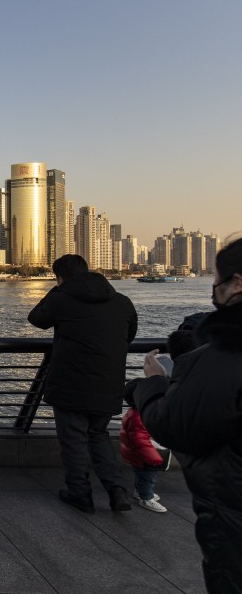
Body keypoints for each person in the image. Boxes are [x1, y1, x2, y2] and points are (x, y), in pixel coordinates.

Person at [131, 238, 242, 592]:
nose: (214, 295)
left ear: (236, 284)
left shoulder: (225, 354)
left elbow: (176, 427)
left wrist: (152, 385)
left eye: (217, 284)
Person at [28, 254, 138, 513]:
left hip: (70, 383)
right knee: (98, 436)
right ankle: (116, 490)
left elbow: (36, 318)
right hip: (108, 384)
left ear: (59, 277)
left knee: (74, 441)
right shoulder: (122, 302)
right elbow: (128, 336)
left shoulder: (61, 299)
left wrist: (56, 291)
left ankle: (80, 493)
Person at [120, 388, 168, 513]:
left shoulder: (133, 413)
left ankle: (140, 491)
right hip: (144, 455)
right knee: (148, 476)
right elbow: (140, 441)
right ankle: (146, 497)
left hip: (136, 453)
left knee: (140, 475)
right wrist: (154, 458)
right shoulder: (139, 417)